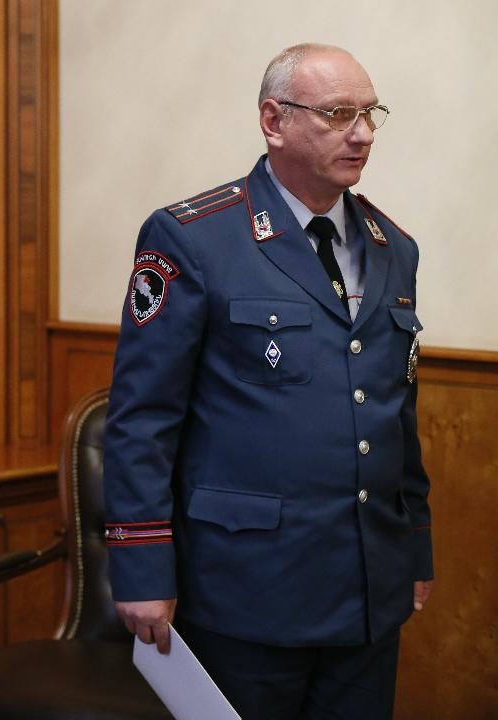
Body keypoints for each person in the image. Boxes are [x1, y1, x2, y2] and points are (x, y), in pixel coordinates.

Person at [102, 43, 433, 718]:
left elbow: (397, 413)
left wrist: (414, 550)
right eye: (338, 114)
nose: (363, 134)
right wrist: (141, 567)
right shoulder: (195, 238)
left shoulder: (392, 248)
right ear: (274, 121)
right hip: (246, 592)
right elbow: (142, 418)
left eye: (370, 113)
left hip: (368, 589)